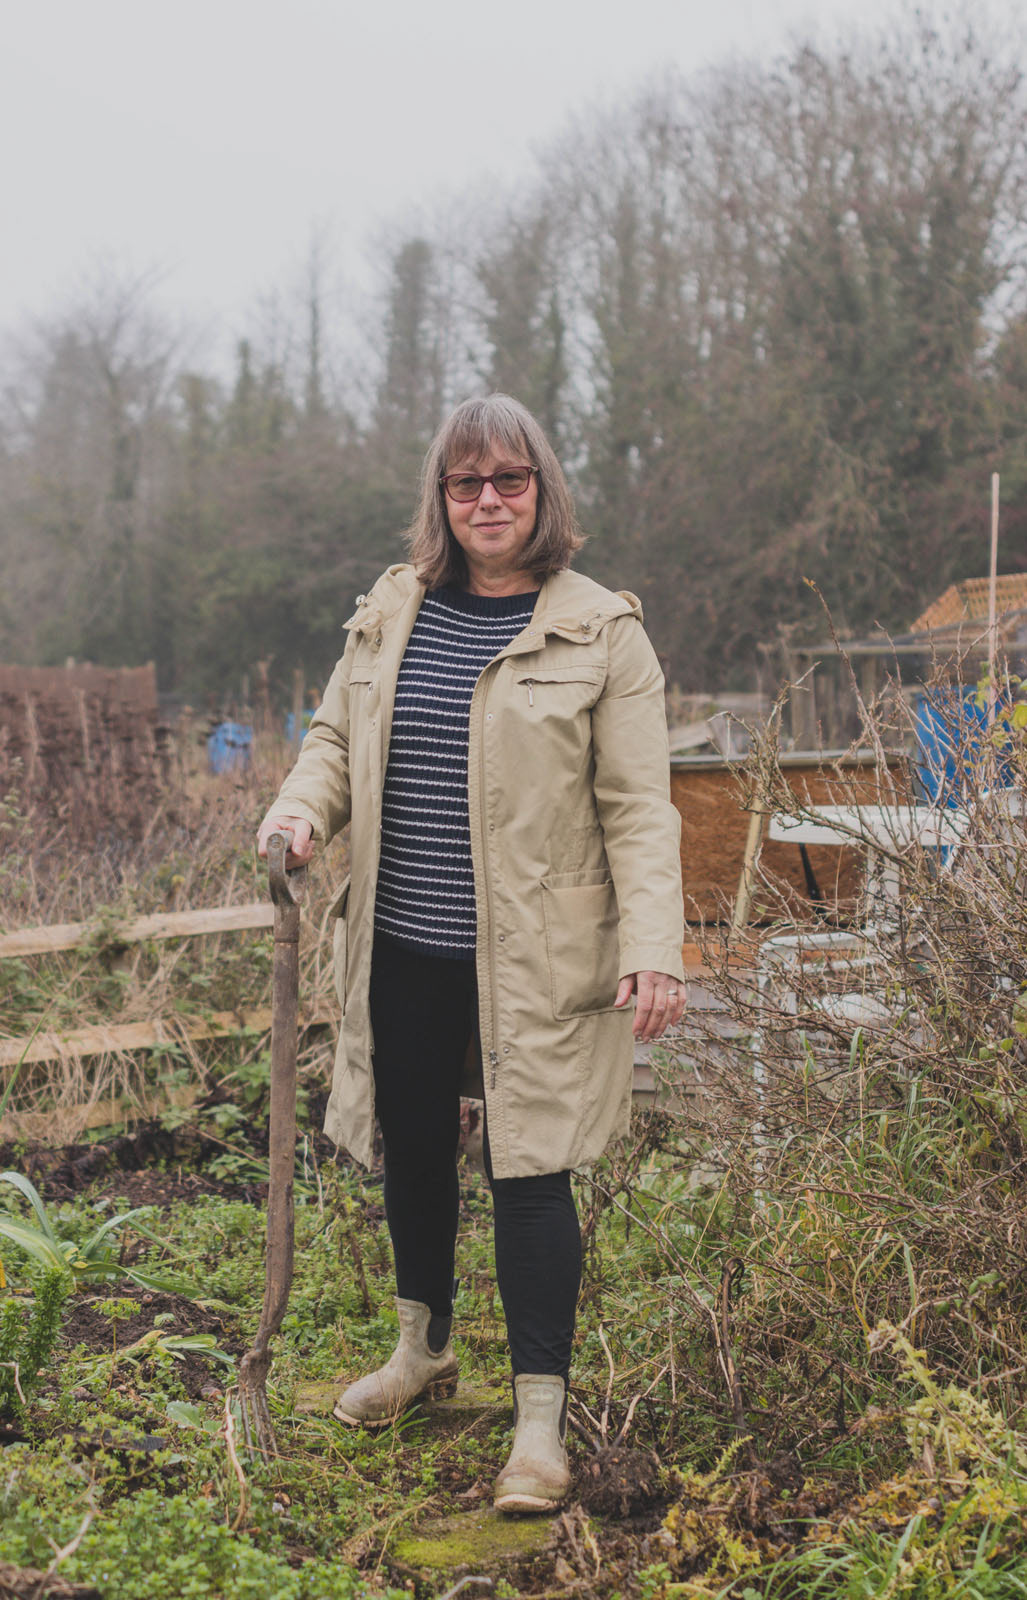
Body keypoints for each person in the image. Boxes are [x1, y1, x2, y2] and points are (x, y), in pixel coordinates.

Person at [257, 393, 686, 1513]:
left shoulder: (600, 632)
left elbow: (639, 809)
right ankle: (422, 1351)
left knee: (529, 1171)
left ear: (541, 489)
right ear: (440, 498)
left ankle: (537, 1420)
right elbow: (334, 740)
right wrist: (300, 810)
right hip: (402, 942)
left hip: (538, 960)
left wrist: (655, 945)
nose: (487, 500)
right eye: (465, 483)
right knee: (410, 1149)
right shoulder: (390, 611)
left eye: (508, 479)